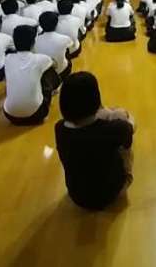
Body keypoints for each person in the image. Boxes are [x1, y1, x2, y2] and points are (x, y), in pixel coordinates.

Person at [55, 72, 135, 210]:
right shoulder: (113, 129)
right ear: (96, 99)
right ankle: (125, 177)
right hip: (111, 193)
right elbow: (129, 132)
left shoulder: (59, 128)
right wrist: (118, 115)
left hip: (76, 196)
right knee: (126, 132)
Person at [3, 25, 58, 125]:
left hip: (10, 115)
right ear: (33, 42)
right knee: (47, 70)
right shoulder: (41, 59)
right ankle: (51, 92)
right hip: (37, 114)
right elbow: (55, 65)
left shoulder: (7, 58)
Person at [35, 12, 73, 81]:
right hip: (62, 71)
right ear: (56, 24)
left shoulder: (35, 41)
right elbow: (71, 45)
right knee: (66, 51)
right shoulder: (64, 38)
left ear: (40, 25)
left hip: (45, 74)